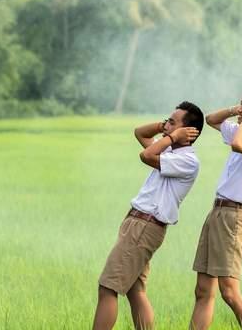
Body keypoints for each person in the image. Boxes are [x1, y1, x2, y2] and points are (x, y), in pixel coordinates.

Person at [93, 101, 204, 330]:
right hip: (140, 224)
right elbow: (139, 133)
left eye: (173, 122)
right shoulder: (169, 151)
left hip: (145, 225)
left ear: (188, 132)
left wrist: (172, 137)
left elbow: (146, 155)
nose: (166, 126)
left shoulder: (187, 160)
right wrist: (167, 127)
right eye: (167, 120)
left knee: (108, 287)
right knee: (135, 291)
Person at [189, 85, 242, 330]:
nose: (240, 110)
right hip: (217, 212)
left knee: (229, 292)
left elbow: (238, 145)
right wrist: (236, 110)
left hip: (234, 217)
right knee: (203, 290)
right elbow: (211, 119)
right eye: (241, 104)